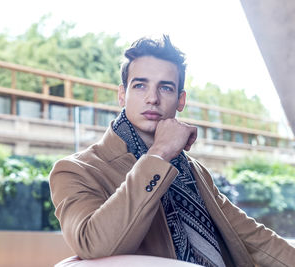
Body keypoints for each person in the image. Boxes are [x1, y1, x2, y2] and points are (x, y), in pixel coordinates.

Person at [49, 36, 295, 267]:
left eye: (165, 88)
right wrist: (159, 155)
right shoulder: (75, 170)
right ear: (122, 95)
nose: (152, 98)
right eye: (140, 86)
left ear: (181, 100)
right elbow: (95, 245)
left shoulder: (192, 170)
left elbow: (252, 236)